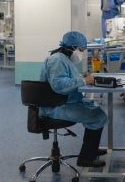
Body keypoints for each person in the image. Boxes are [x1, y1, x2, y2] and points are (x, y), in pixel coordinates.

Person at [39, 31, 108, 168]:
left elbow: (66, 78)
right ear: (72, 47)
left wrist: (81, 77)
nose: (81, 53)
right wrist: (83, 80)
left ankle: (91, 149)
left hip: (64, 102)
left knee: (96, 110)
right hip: (56, 107)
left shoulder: (63, 59)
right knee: (97, 117)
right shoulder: (57, 60)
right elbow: (59, 85)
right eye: (81, 50)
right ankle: (86, 158)